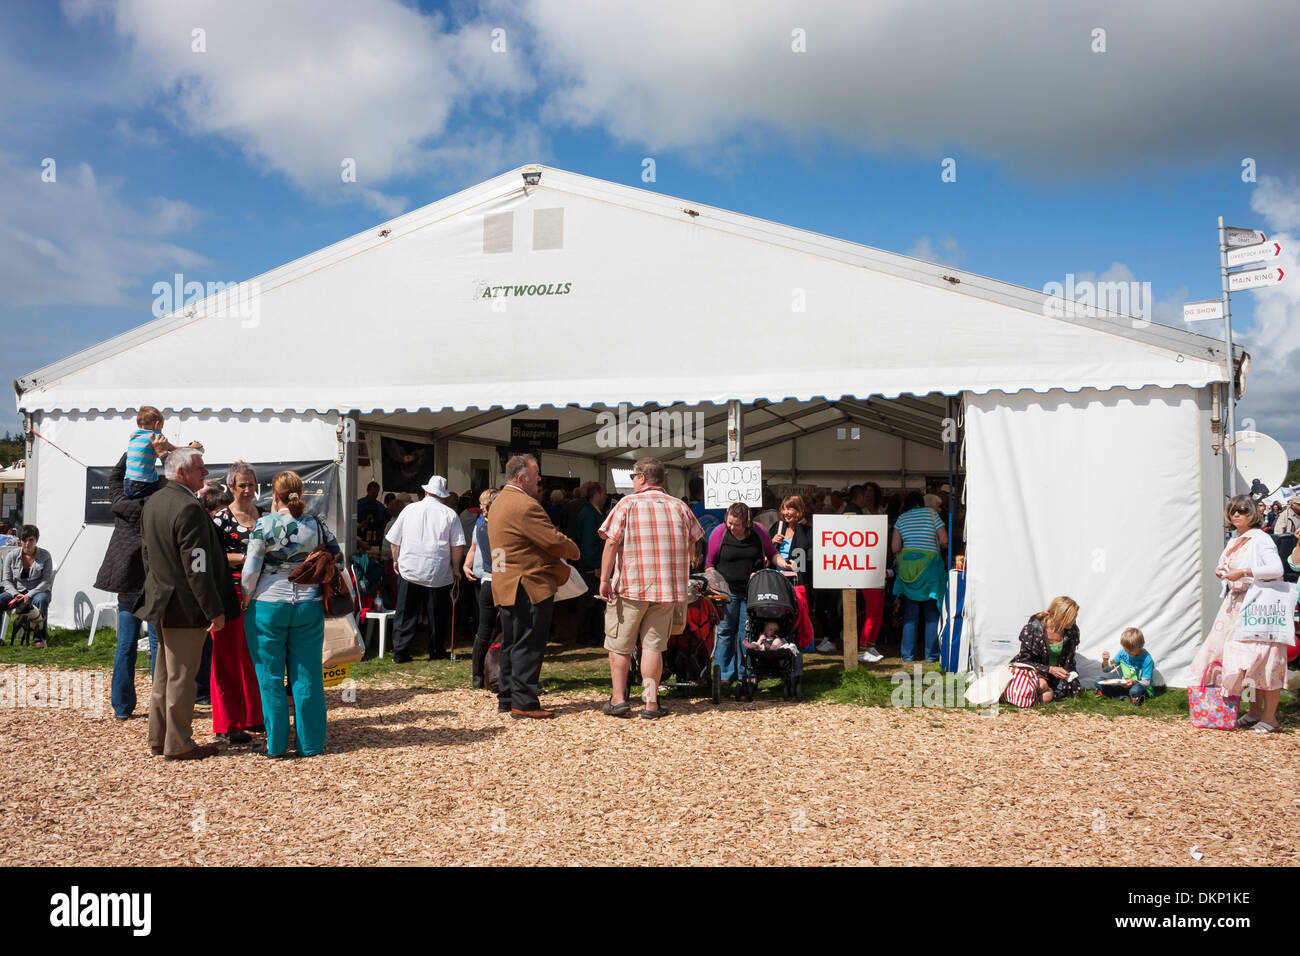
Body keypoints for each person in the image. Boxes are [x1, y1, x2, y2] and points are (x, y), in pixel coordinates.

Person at [135, 447, 239, 760]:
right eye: (200, 469)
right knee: (181, 677)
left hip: (160, 600)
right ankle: (178, 743)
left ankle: (159, 738)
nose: (206, 474)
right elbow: (197, 566)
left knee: (164, 676)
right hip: (184, 605)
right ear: (182, 473)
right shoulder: (188, 507)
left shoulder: (154, 502)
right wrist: (213, 609)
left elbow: (147, 556)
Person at [241, 470, 342, 758]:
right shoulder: (317, 524)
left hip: (268, 605)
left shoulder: (265, 524)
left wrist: (247, 598)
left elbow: (251, 570)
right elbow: (339, 559)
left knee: (270, 677)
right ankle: (310, 743)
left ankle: (276, 743)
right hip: (308, 603)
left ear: (275, 495)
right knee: (308, 673)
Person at [598, 457, 703, 718]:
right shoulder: (679, 506)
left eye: (633, 476)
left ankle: (619, 700)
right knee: (653, 647)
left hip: (631, 587)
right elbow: (695, 542)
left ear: (642, 478)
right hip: (667, 590)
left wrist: (604, 579)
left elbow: (611, 543)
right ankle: (651, 704)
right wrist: (685, 561)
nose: (632, 481)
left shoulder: (627, 504)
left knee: (620, 645)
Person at [487, 454, 580, 719]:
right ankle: (524, 702)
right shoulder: (525, 505)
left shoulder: (500, 501)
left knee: (511, 643)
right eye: (536, 474)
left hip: (506, 582)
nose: (540, 479)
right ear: (521, 478)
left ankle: (507, 697)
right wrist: (573, 550)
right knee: (529, 643)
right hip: (528, 583)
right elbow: (552, 540)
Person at [1191, 495, 1287, 733]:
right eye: (1233, 510)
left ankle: (1270, 717)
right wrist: (1223, 571)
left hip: (1259, 605)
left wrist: (1243, 571)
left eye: (1243, 510)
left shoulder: (1261, 539)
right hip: (1237, 605)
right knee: (1246, 662)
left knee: (1264, 660)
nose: (1237, 514)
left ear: (1252, 513)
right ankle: (1254, 712)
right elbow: (1228, 567)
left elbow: (1276, 568)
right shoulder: (1236, 539)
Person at [92, 453, 160, 717]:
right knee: (156, 645)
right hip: (152, 578)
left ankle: (121, 707)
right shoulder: (156, 503)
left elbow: (114, 478)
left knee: (125, 645)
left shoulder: (120, 502)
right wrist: (154, 449)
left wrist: (132, 451)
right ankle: (159, 704)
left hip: (127, 580)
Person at [208, 462, 265, 744]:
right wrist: (246, 559)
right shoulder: (220, 519)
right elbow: (213, 556)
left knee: (257, 658)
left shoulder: (264, 516)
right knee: (227, 659)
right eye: (241, 485)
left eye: (250, 484)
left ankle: (255, 716)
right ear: (230, 486)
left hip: (261, 595)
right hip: (229, 594)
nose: (246, 490)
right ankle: (227, 722)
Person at [705, 502, 790, 687]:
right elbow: (710, 564)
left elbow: (771, 553)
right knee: (725, 631)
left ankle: (747, 672)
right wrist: (715, 583)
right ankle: (724, 674)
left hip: (753, 591)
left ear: (747, 523)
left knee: (748, 633)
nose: (732, 527)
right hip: (727, 592)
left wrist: (784, 564)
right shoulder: (719, 533)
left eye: (736, 524)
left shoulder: (758, 532)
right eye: (729, 522)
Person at [385, 475, 466, 663]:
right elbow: (457, 546)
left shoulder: (409, 510)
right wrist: (456, 568)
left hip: (410, 568)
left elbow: (394, 540)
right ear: (443, 495)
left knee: (405, 613)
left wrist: (395, 560)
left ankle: (400, 652)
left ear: (426, 491)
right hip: (438, 572)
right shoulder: (450, 514)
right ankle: (436, 651)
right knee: (437, 615)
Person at [891, 491, 948, 663]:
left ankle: (907, 655)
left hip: (908, 568)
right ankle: (931, 655)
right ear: (920, 503)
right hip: (929, 568)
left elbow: (894, 547)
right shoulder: (931, 514)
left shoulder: (901, 519)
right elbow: (944, 539)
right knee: (931, 613)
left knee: (910, 614)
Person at [1009, 595, 1082, 702]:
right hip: (1034, 672)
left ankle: (1028, 698)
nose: (1075, 621)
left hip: (1055, 677)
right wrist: (1050, 669)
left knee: (1048, 696)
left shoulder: (1072, 631)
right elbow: (1024, 661)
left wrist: (1067, 674)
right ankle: (1019, 695)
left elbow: (1069, 660)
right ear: (1060, 616)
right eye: (1072, 618)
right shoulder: (1033, 630)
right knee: (1042, 685)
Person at [768, 495, 816, 653]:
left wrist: (799, 526)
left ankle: (799, 644)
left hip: (797, 578)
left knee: (798, 611)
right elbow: (766, 552)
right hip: (777, 577)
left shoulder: (806, 530)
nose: (787, 512)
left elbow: (804, 546)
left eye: (791, 508)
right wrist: (773, 542)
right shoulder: (777, 527)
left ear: (799, 511)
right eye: (784, 508)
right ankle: (779, 642)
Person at [463, 489, 500, 689]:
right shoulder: (496, 527)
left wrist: (466, 564)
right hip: (498, 580)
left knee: (484, 631)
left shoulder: (480, 525)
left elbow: (474, 548)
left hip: (487, 580)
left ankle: (478, 677)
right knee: (505, 630)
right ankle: (496, 675)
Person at [122, 406, 202, 498]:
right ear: (157, 424)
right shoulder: (155, 436)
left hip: (128, 481)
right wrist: (191, 447)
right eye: (161, 427)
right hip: (143, 482)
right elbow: (174, 450)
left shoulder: (134, 436)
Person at [1, 525, 55, 648]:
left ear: (36, 540)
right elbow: (6, 580)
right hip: (16, 592)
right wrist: (16, 594)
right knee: (0, 600)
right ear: (20, 540)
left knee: (41, 599)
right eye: (24, 540)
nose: (27, 543)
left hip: (38, 591)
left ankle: (38, 638)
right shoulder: (11, 556)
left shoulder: (45, 556)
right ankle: (0, 638)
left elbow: (46, 581)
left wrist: (29, 595)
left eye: (31, 540)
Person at [574, 481, 608, 646]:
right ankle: (585, 636)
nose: (606, 496)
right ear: (596, 493)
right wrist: (595, 565)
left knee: (595, 604)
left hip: (592, 566)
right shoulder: (589, 514)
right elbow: (588, 544)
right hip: (590, 568)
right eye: (604, 493)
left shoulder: (594, 513)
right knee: (588, 604)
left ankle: (594, 635)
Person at [1095, 627, 1155, 705]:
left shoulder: (1147, 659)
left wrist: (1133, 682)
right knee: (1098, 680)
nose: (1127, 652)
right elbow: (1107, 669)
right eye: (1125, 649)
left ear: (1140, 646)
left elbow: (1146, 682)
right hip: (1124, 685)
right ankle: (1130, 697)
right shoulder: (1123, 653)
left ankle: (1128, 696)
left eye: (1130, 650)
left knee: (1136, 690)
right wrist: (1105, 661)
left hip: (1138, 686)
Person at [357, 481, 387, 552]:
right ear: (367, 491)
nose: (375, 495)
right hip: (361, 539)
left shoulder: (381, 507)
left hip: (375, 540)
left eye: (377, 493)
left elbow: (383, 524)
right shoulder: (358, 504)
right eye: (373, 493)